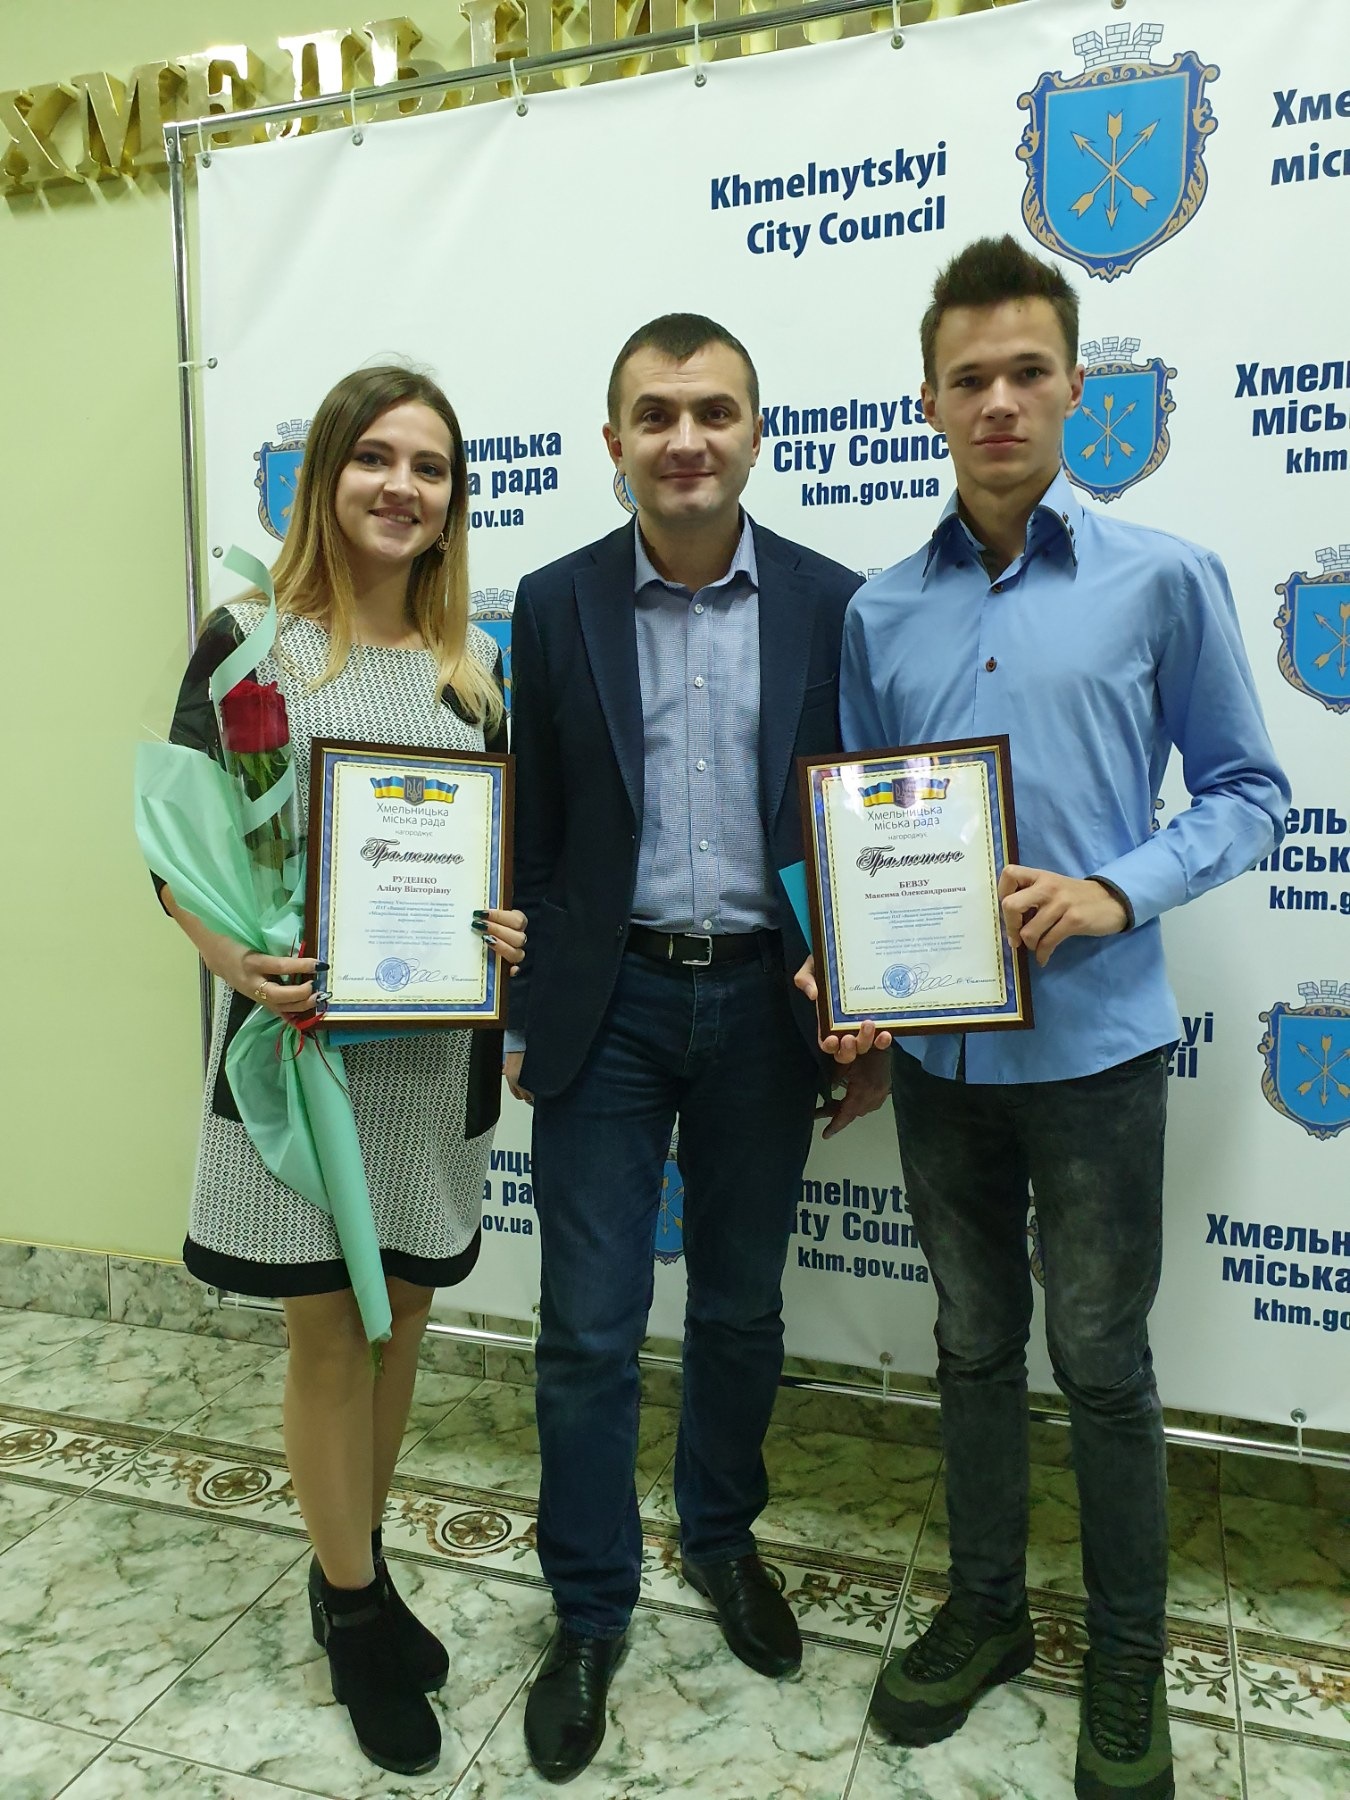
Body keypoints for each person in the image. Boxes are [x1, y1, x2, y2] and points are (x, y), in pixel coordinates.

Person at [800, 237, 1288, 1800]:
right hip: (941, 1061)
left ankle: (1127, 1659)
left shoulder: (1163, 577)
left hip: (1094, 1057)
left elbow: (1249, 793)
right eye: (969, 379)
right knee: (967, 1346)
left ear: (1076, 387)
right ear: (928, 402)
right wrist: (845, 965)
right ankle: (986, 1610)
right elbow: (864, 827)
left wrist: (1112, 892)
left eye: (1026, 372)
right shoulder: (879, 611)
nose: (998, 401)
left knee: (1098, 1358)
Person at [505, 313, 890, 1783]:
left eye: (714, 412)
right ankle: (589, 1609)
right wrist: (525, 1006)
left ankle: (721, 1539)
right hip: (606, 1009)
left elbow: (861, 818)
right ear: (612, 442)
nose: (686, 439)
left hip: (764, 1009)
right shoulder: (553, 603)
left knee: (738, 1310)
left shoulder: (831, 601)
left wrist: (867, 1000)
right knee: (588, 1330)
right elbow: (533, 823)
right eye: (656, 415)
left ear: (755, 431)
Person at [157, 365, 526, 1778]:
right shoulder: (247, 644)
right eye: (375, 457)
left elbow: (492, 861)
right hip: (298, 1063)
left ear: (452, 501)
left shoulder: (471, 670)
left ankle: (347, 1560)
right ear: (325, 473)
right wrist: (233, 959)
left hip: (428, 1065)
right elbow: (175, 852)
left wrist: (504, 927)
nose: (401, 486)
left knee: (402, 1319)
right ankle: (359, 1612)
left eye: (429, 467)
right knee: (327, 1333)